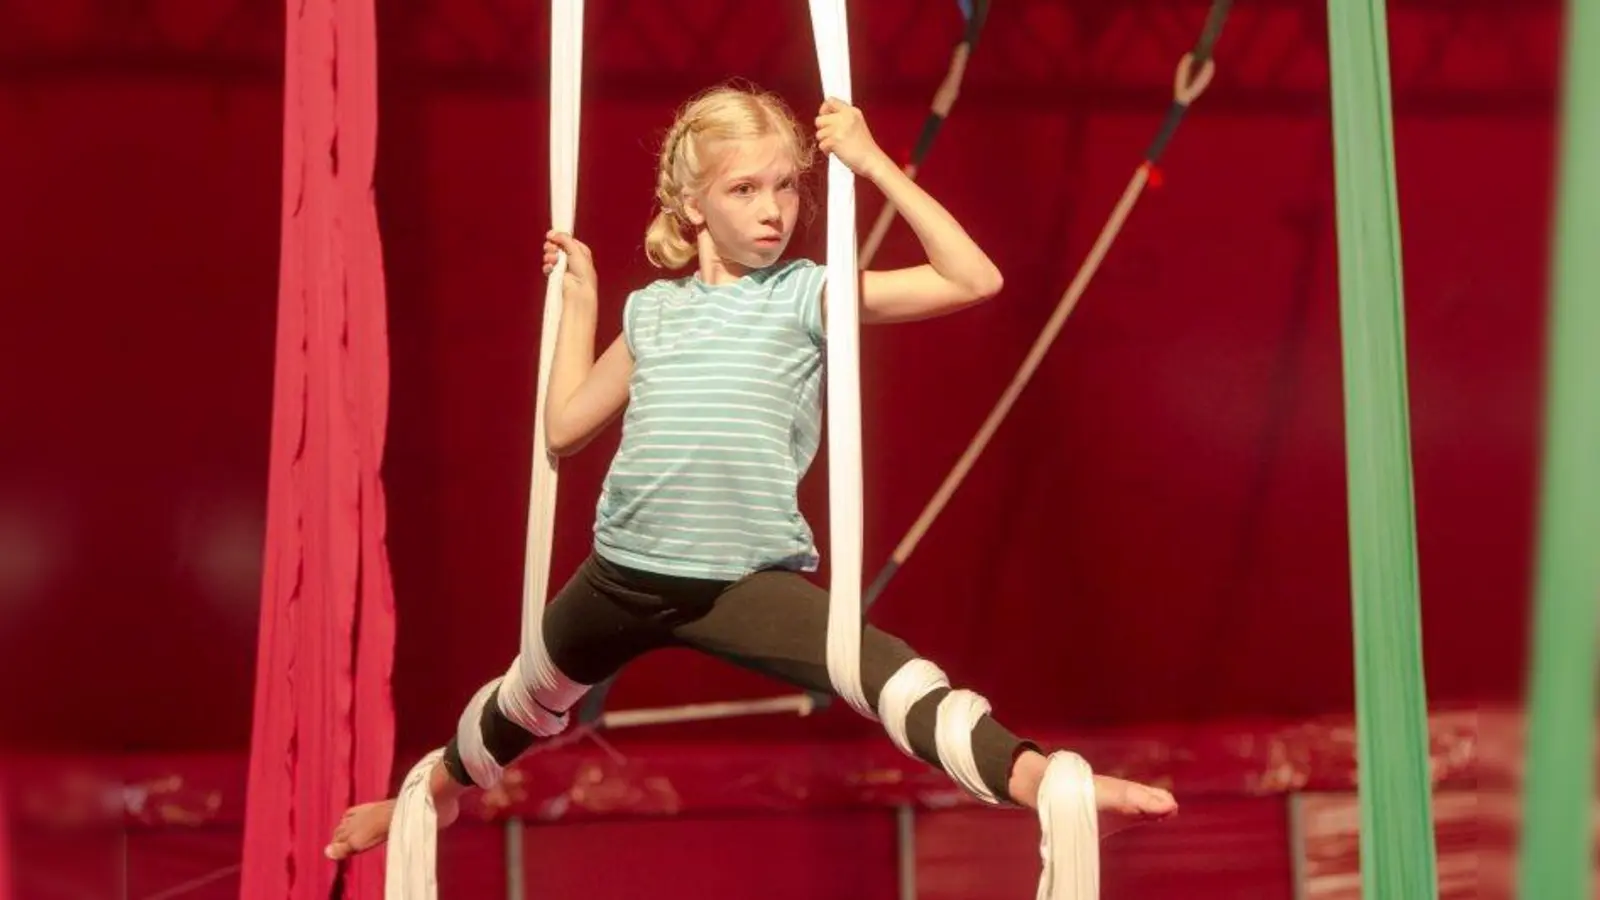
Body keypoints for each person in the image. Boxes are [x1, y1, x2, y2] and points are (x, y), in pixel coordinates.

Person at [326, 82, 1177, 862]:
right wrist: (580, 302)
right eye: (743, 189)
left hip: (739, 583)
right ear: (691, 205)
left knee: (885, 675)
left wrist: (871, 162)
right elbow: (564, 426)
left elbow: (973, 278)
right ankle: (427, 800)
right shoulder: (653, 311)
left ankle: (1046, 785)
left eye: (786, 187)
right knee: (524, 702)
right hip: (621, 574)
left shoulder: (805, 294)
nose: (773, 210)